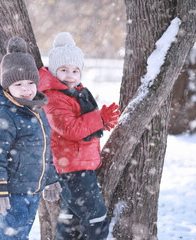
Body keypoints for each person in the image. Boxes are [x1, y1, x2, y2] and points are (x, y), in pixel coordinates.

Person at [38, 32, 120, 240]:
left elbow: (83, 124)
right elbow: (70, 129)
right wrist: (98, 118)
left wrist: (104, 121)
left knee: (71, 221)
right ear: (54, 71)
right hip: (73, 169)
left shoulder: (76, 93)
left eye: (75, 70)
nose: (70, 75)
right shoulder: (54, 97)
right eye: (64, 70)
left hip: (78, 165)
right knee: (96, 219)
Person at [0, 36, 61, 240]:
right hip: (12, 192)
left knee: (20, 235)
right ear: (7, 86)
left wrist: (51, 178)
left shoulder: (35, 109)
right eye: (18, 83)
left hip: (31, 190)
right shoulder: (4, 114)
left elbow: (44, 148)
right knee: (12, 237)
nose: (26, 89)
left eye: (30, 82)